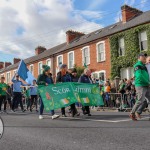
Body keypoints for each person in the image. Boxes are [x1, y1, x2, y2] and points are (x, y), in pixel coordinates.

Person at [129, 53, 150, 120]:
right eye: (143, 56)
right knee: (140, 100)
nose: (144, 57)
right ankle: (132, 113)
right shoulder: (137, 65)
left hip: (146, 85)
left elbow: (146, 75)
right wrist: (148, 82)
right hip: (140, 85)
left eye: (145, 56)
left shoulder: (144, 66)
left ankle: (137, 112)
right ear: (139, 58)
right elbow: (139, 76)